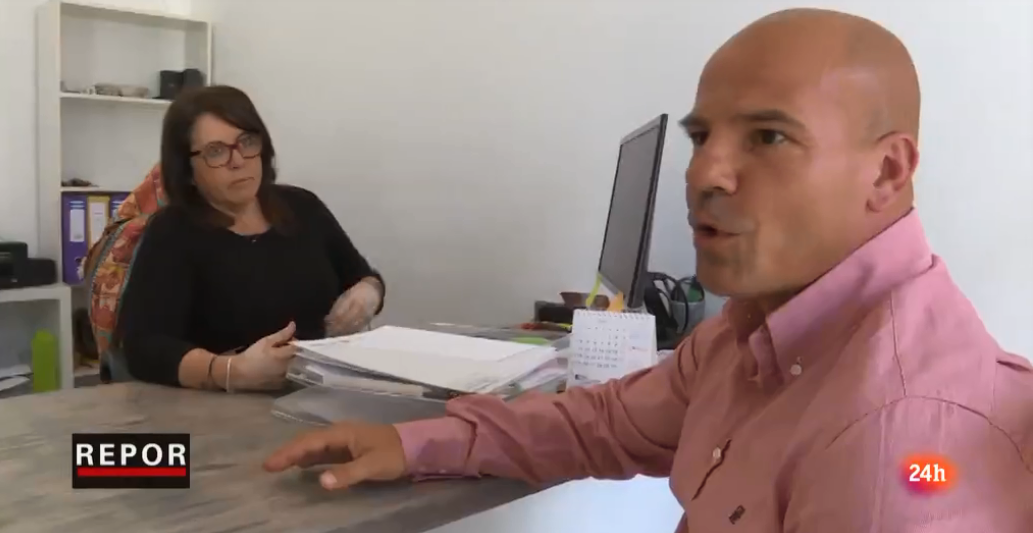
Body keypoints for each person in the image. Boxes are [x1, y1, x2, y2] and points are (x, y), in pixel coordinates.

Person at [263, 9, 1033, 532]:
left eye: (767, 137)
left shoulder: (896, 434)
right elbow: (606, 421)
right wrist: (416, 444)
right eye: (701, 137)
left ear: (886, 172)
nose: (704, 174)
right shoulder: (751, 332)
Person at [117, 85, 385, 391]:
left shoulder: (304, 207)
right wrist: (228, 371)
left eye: (246, 141)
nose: (238, 160)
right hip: (222, 406)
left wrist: (368, 292)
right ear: (187, 170)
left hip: (318, 391)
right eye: (216, 151)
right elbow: (142, 347)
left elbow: (362, 276)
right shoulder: (172, 232)